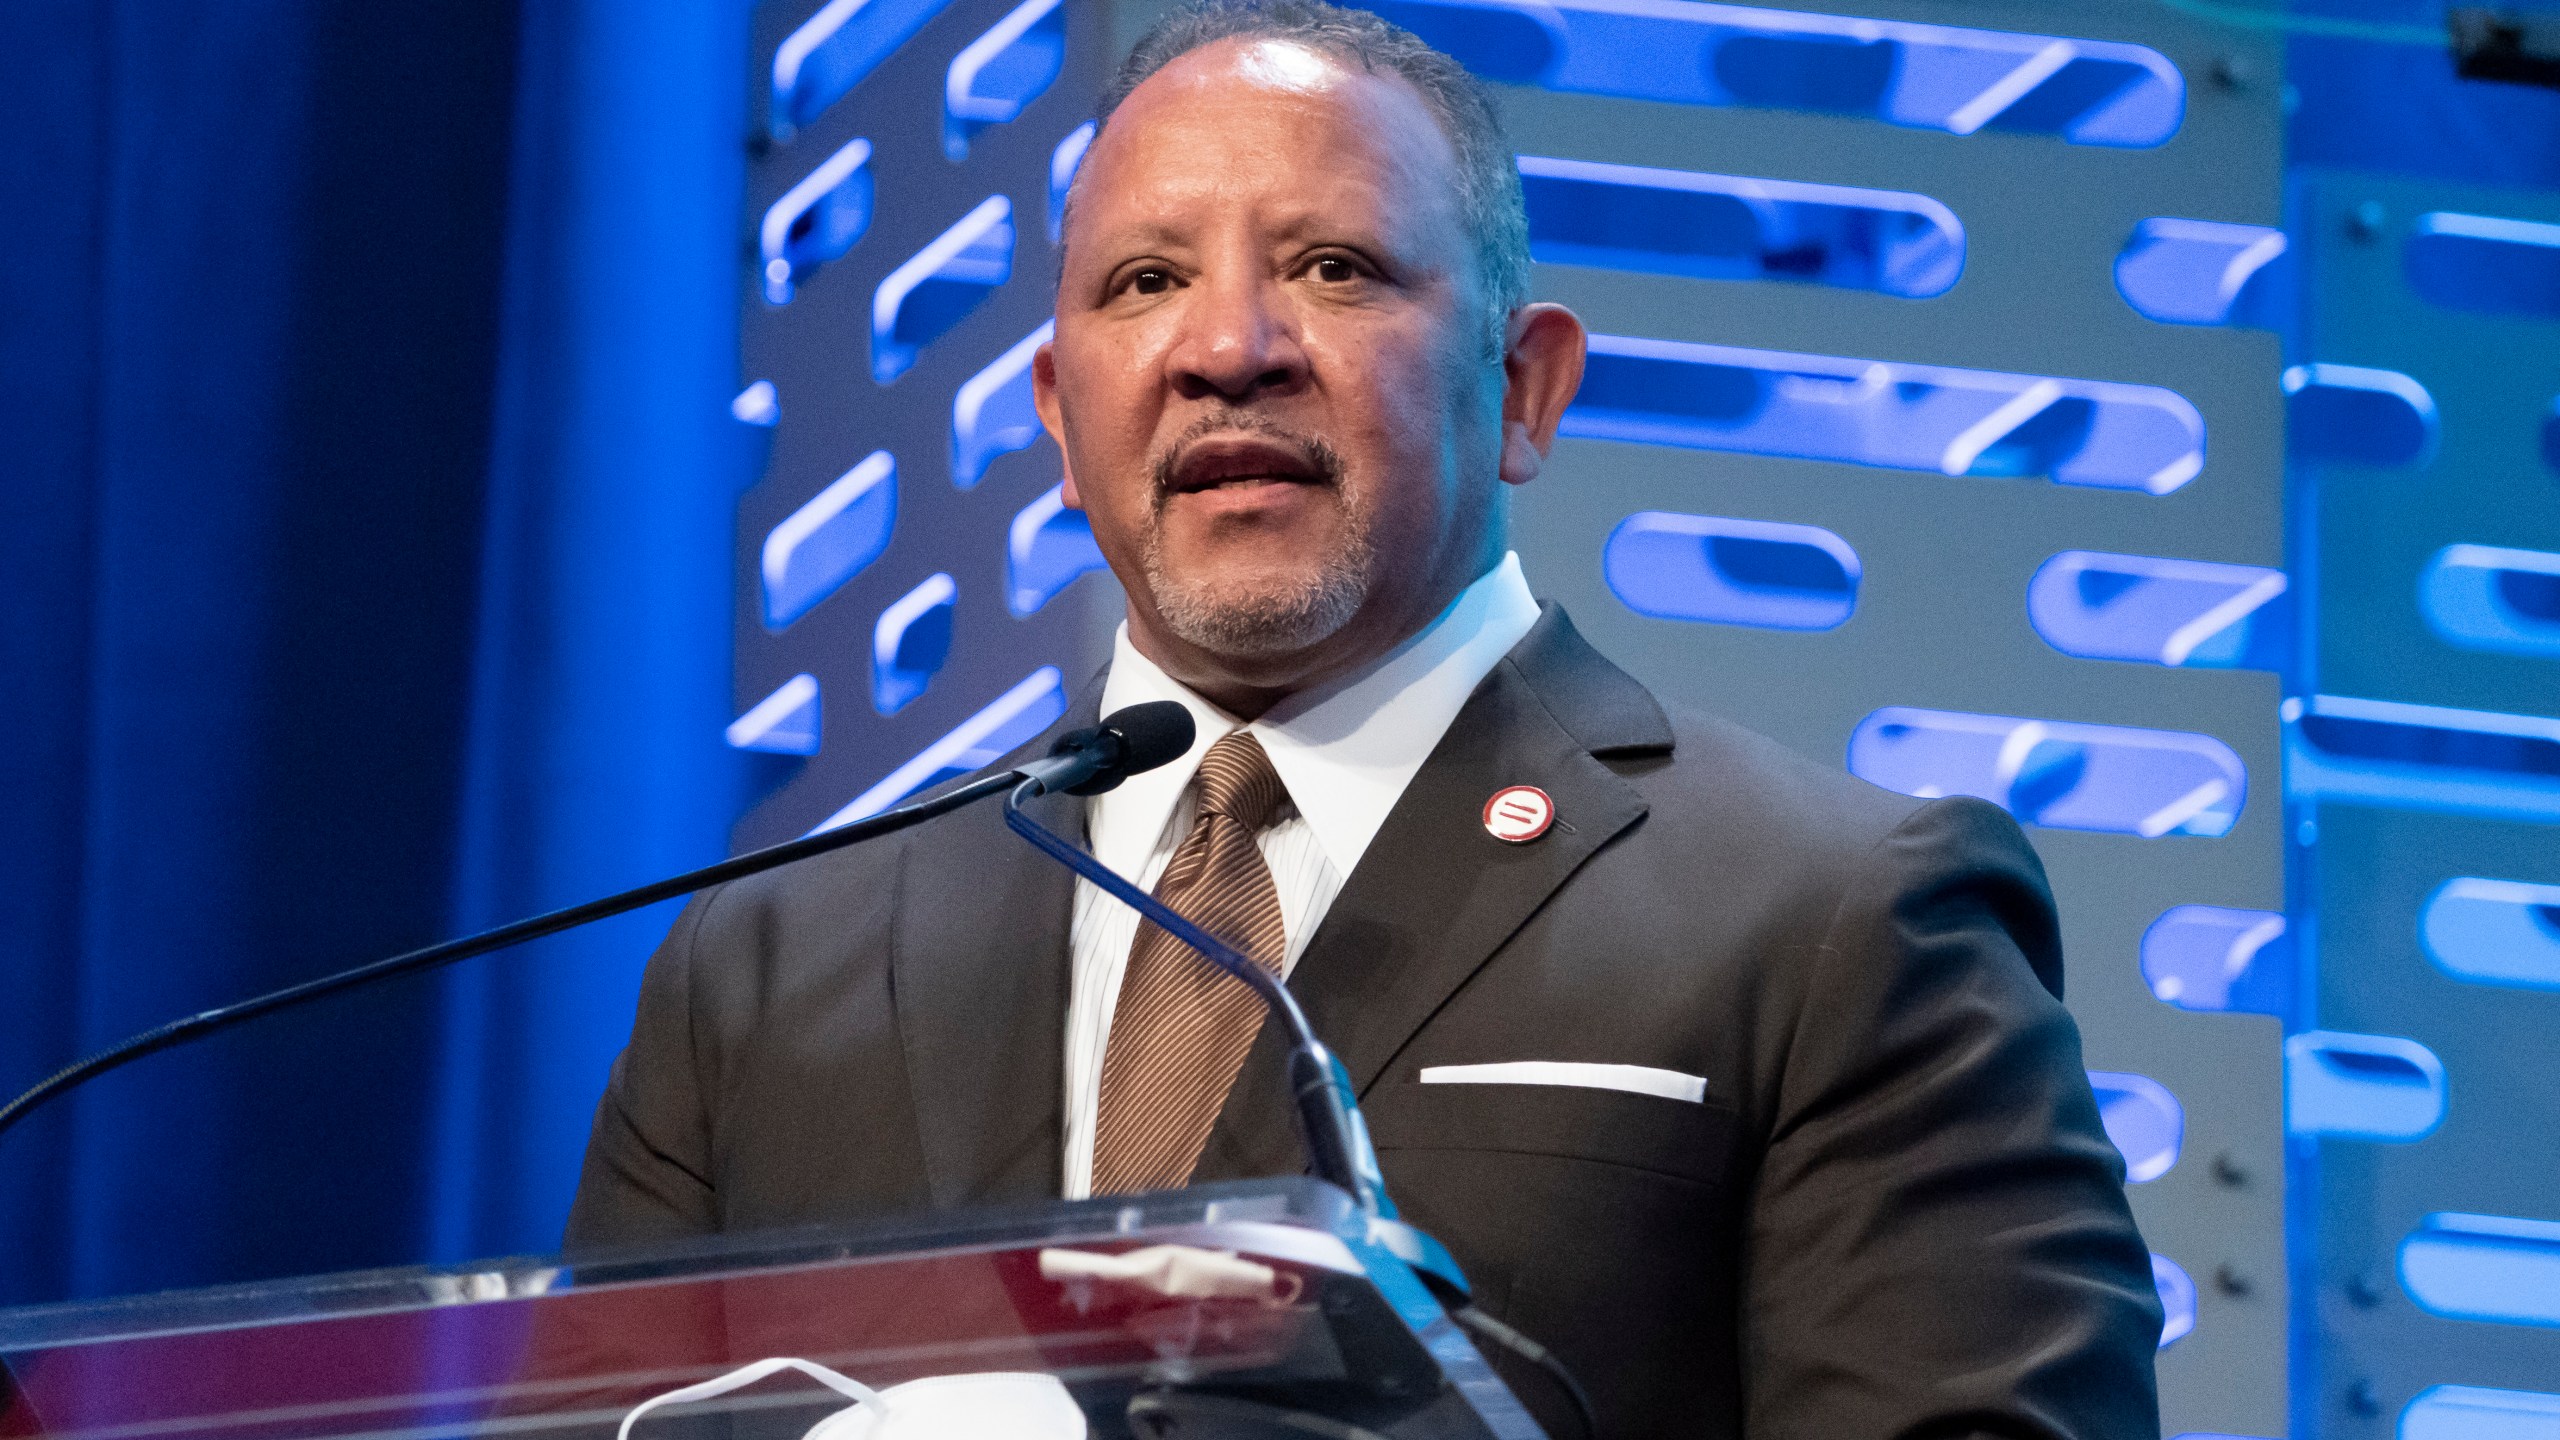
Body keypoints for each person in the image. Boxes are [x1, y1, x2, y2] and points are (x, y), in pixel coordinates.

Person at [566, 2, 2164, 1433]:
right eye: (1145, 282)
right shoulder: (764, 980)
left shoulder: (1837, 917)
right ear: (1061, 420)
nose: (1227, 351)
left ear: (1524, 388)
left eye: (1334, 267)